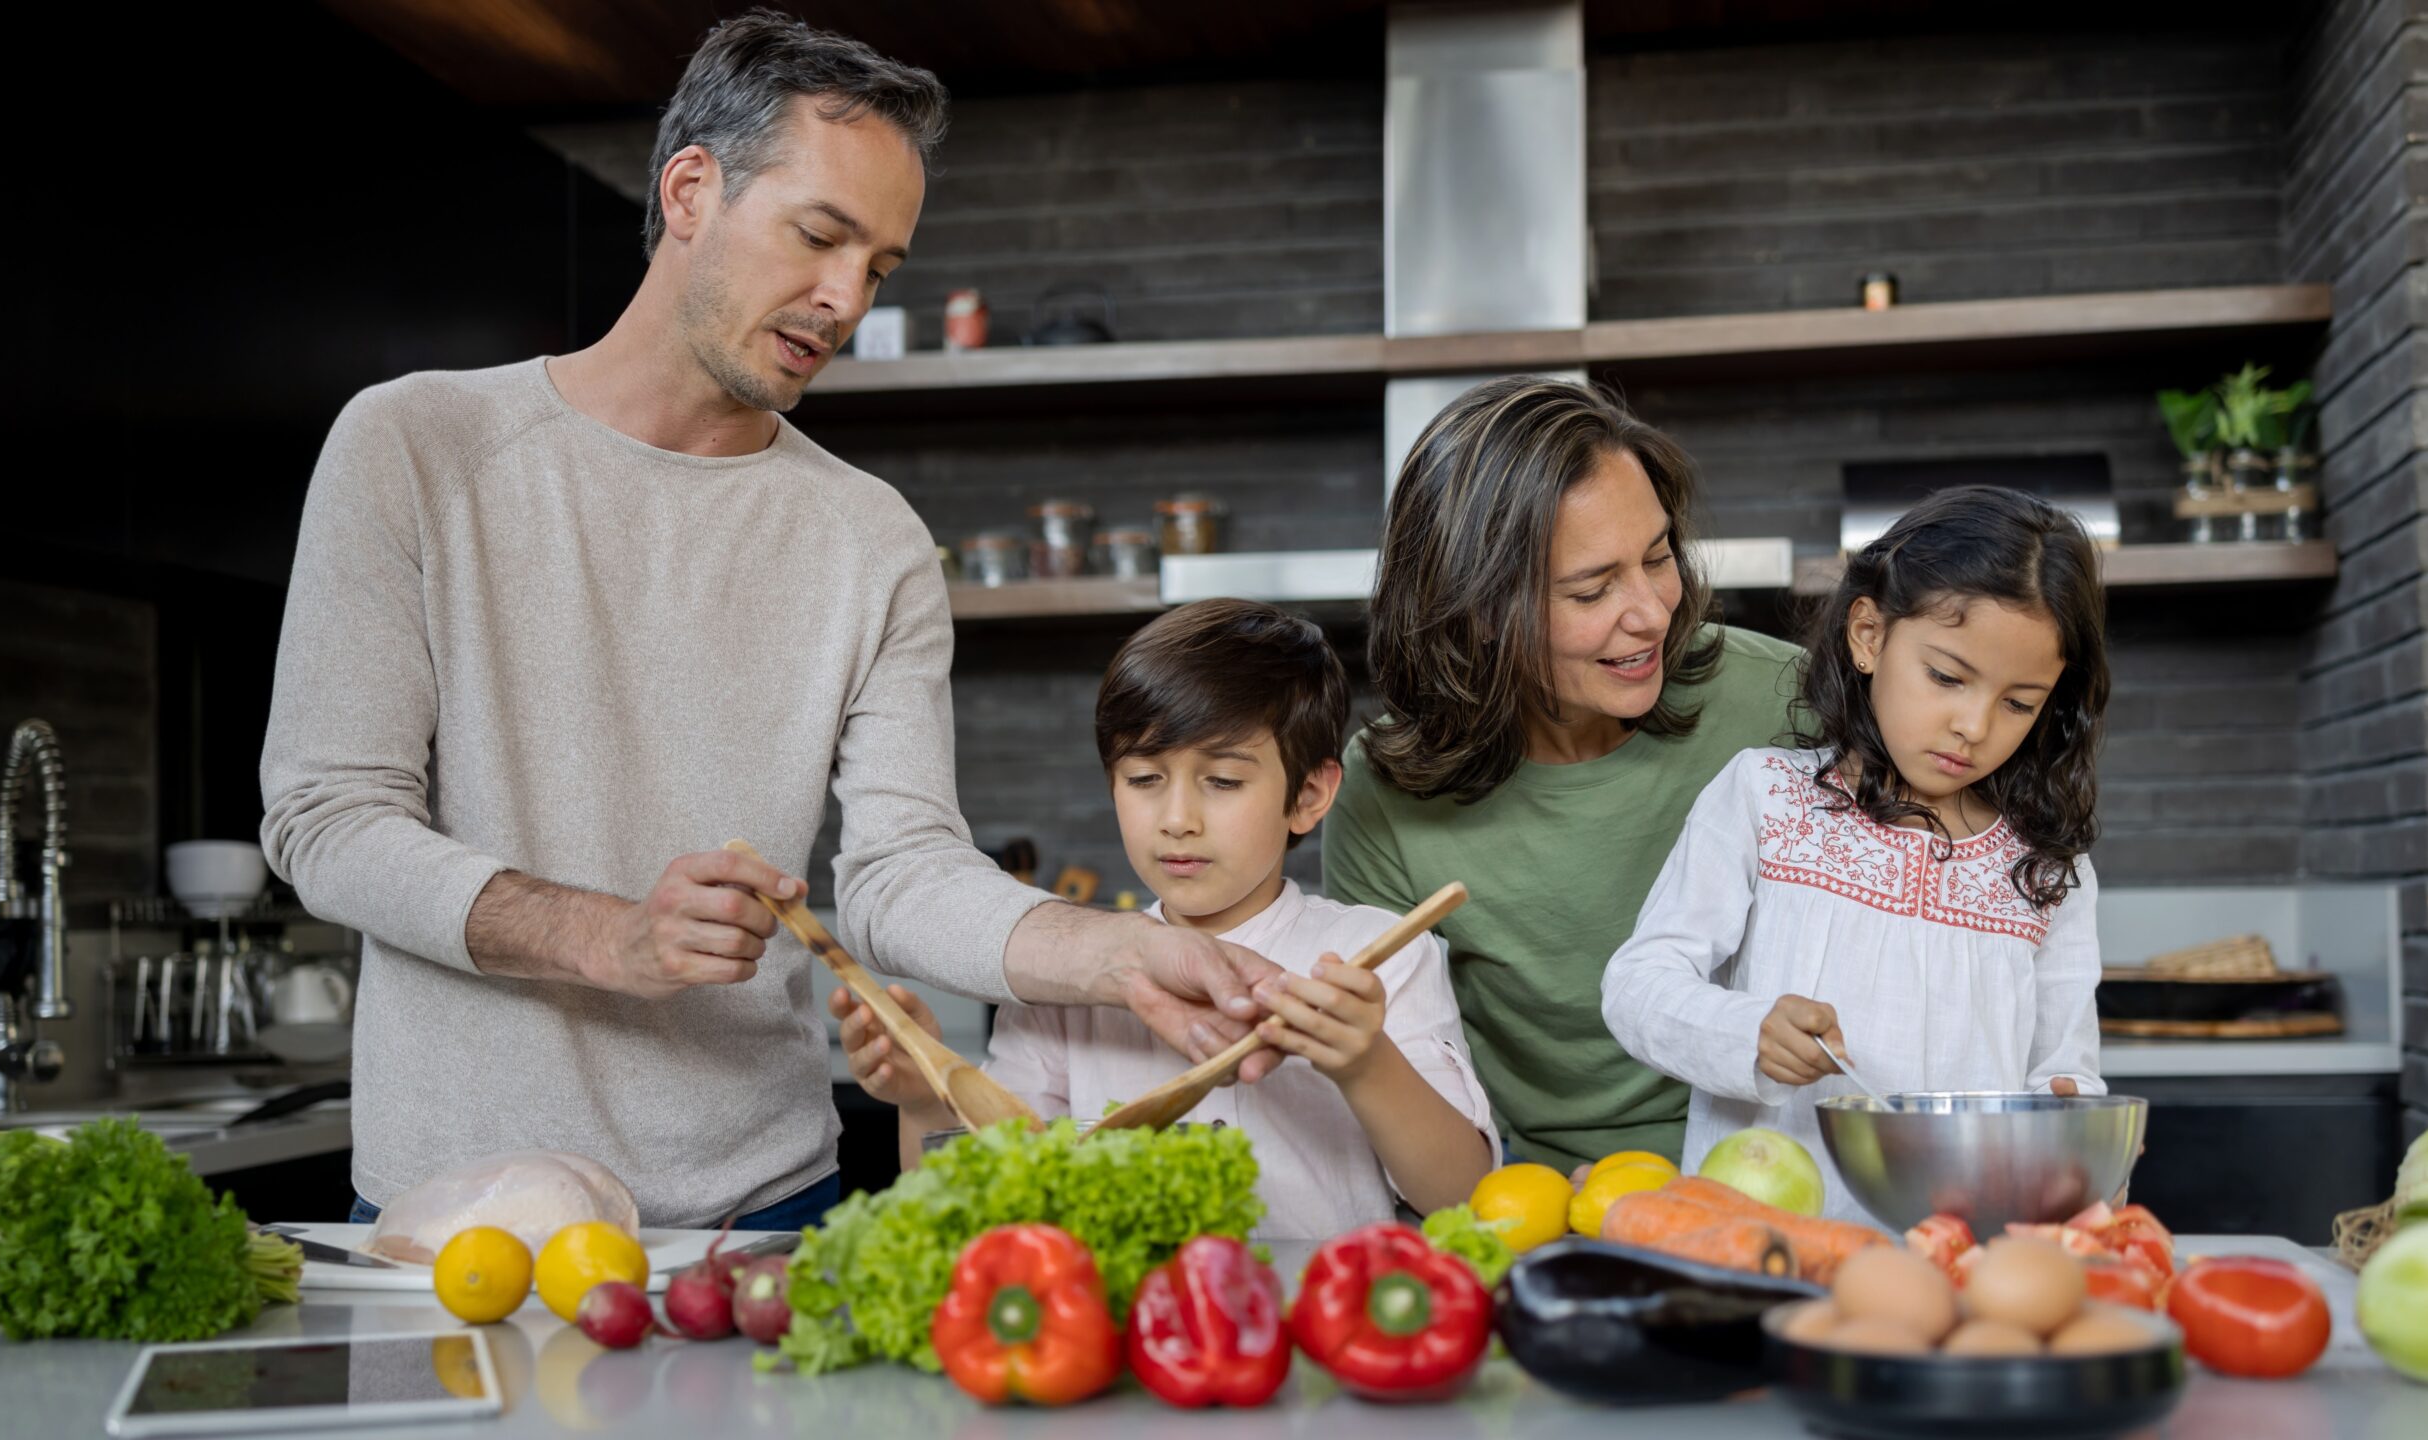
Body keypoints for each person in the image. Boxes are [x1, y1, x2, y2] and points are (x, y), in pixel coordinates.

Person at [259, 13, 1284, 1233]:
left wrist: (1112, 956)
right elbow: (326, 819)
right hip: (459, 1212)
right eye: (819, 236)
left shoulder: (872, 538)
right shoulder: (415, 447)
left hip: (764, 1211)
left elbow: (902, 871)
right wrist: (607, 937)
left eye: (880, 267)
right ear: (691, 188)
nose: (843, 299)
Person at [839, 600, 1501, 1236]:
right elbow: (976, 1213)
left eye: (1223, 782)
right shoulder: (1066, 977)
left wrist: (1366, 1064)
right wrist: (922, 1098)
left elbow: (1465, 1199)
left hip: (1319, 1328)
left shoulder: (1376, 956)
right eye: (1145, 779)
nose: (1177, 818)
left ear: (1308, 795)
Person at [1324, 377, 1802, 1171]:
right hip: (1552, 1204)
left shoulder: (1784, 703)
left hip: (1791, 1176)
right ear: (1478, 609)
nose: (1651, 612)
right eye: (1593, 588)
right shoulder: (1382, 797)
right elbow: (1411, 1079)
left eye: (1658, 558)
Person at [1600, 486, 2112, 1223]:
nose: (1973, 725)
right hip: (1767, 1249)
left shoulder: (2048, 874)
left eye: (2019, 702)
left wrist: (2071, 1117)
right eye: (1946, 676)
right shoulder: (1764, 799)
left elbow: (2066, 1072)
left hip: (1964, 1266)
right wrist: (1749, 1032)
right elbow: (1638, 986)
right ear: (1868, 635)